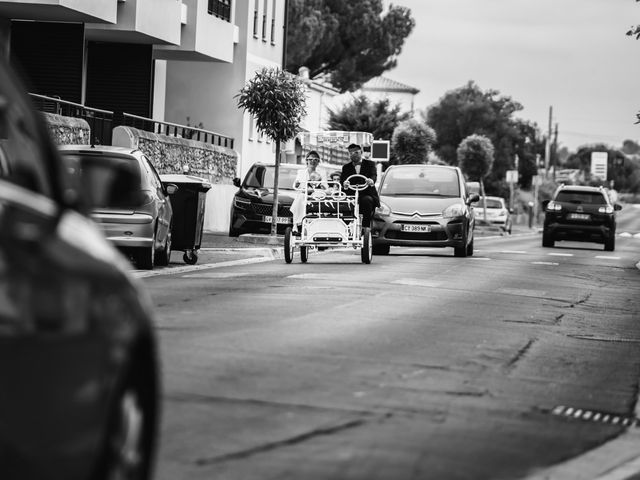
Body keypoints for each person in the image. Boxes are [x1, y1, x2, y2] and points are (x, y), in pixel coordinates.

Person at [340, 143, 380, 229]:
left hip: (366, 193)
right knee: (345, 203)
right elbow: (342, 179)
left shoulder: (370, 164)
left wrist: (371, 181)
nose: (353, 155)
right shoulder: (346, 167)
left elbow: (374, 175)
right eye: (350, 153)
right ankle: (345, 227)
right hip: (351, 194)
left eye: (356, 152)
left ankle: (365, 227)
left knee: (367, 200)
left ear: (361, 152)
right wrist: (345, 184)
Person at [290, 150, 327, 234]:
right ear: (306, 160)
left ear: (318, 162)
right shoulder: (301, 172)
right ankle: (296, 225)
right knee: (300, 198)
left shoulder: (322, 172)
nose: (312, 161)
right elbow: (296, 185)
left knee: (306, 198)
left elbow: (325, 187)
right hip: (305, 194)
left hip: (317, 195)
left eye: (315, 159)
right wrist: (297, 184)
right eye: (310, 159)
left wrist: (320, 185)